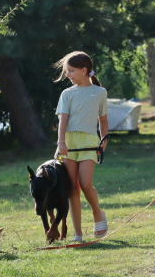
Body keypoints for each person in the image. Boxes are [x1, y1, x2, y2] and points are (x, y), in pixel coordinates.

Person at [53, 51, 110, 242]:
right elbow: (63, 121)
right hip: (69, 144)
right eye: (66, 71)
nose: (67, 75)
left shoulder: (100, 93)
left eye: (71, 71)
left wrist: (104, 139)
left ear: (84, 70)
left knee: (85, 184)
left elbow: (103, 119)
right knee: (73, 189)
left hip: (88, 143)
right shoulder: (67, 94)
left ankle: (97, 213)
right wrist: (61, 142)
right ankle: (78, 234)